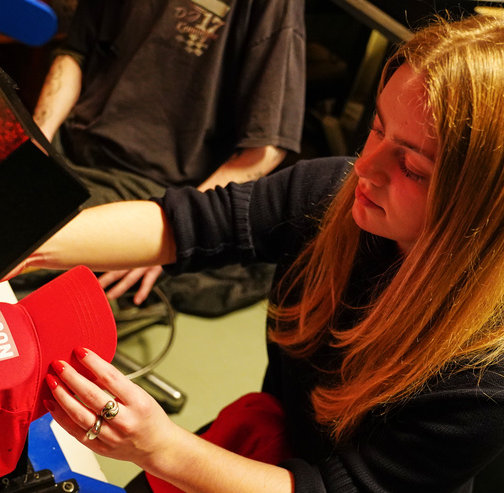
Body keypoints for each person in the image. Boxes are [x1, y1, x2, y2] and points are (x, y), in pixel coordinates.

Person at [0, 13, 504, 493]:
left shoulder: (501, 373)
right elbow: (184, 226)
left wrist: (160, 445)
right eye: (377, 128)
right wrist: (1, 248)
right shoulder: (341, 195)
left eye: (412, 166)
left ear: (484, 204)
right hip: (267, 446)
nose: (367, 169)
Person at [30, 0, 306, 310]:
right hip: (69, 151)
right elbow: (75, 52)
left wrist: (176, 234)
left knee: (10, 248)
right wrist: (37, 142)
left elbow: (265, 150)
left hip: (153, 190)